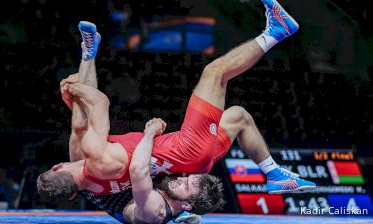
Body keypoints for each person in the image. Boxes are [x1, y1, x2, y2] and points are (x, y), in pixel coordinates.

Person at [38, 0, 316, 220]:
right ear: (57, 166)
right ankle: (276, 31)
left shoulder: (95, 190)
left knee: (238, 116)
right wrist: (71, 89)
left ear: (74, 195)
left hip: (189, 163)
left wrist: (177, 214)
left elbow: (83, 123)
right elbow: (96, 104)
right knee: (214, 73)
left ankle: (275, 174)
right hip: (186, 149)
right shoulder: (92, 157)